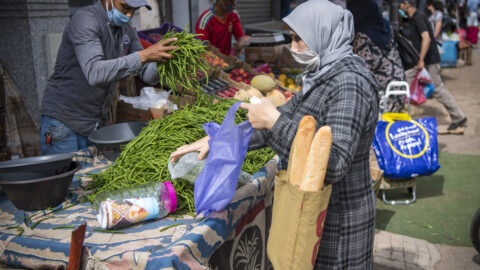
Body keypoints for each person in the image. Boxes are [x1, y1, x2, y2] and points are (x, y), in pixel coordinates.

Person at [173, 1, 379, 268]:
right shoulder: (324, 74)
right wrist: (220, 141)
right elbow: (276, 127)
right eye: (291, 38)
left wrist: (275, 120)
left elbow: (336, 163)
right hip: (318, 214)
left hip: (339, 222)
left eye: (298, 39)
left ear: (322, 34)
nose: (292, 47)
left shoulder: (349, 82)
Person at [40, 0, 178, 155]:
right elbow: (95, 73)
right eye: (125, 7)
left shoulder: (127, 29)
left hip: (96, 121)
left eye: (134, 10)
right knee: (68, 176)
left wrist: (163, 62)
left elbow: (146, 73)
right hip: (64, 121)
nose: (129, 15)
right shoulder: (85, 20)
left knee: (94, 176)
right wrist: (144, 55)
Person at [400, 0, 467, 131]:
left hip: (428, 60)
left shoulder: (419, 18)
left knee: (437, 88)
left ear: (407, 4)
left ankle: (458, 116)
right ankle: (395, 115)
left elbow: (427, 38)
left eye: (401, 3)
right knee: (403, 83)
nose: (400, 6)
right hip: (421, 60)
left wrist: (421, 59)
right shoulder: (413, 18)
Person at [347, 0, 406, 114]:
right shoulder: (386, 27)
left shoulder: (363, 36)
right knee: (390, 127)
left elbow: (363, 71)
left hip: (381, 92)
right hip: (398, 82)